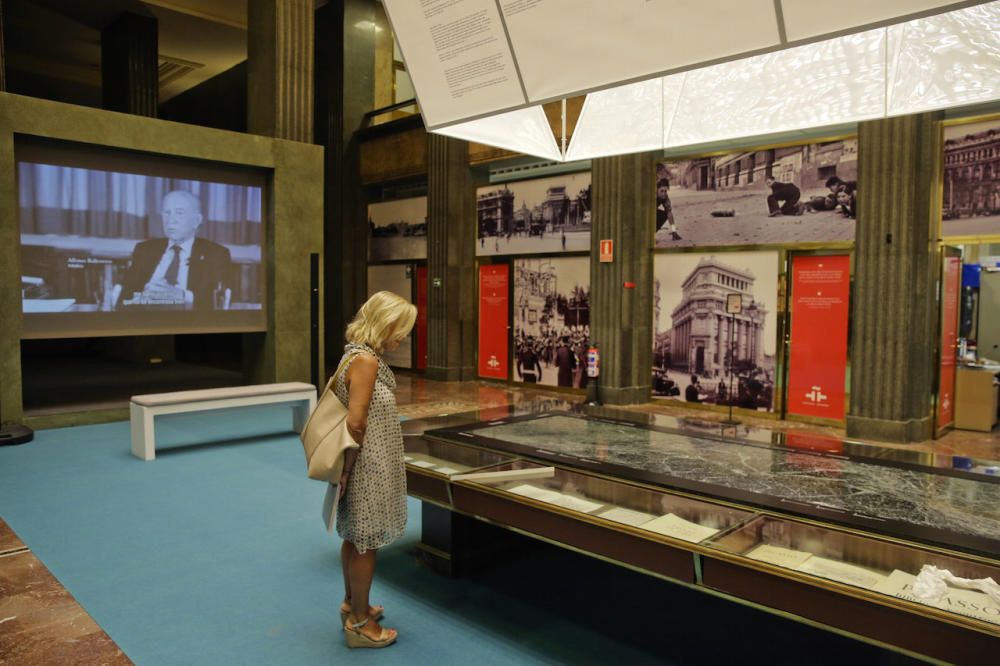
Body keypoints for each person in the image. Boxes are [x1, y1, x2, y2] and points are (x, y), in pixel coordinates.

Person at [335, 291, 417, 649]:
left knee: (354, 537)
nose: (404, 336)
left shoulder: (355, 354)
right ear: (383, 324)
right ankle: (360, 623)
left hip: (362, 463)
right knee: (366, 542)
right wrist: (349, 470)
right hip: (366, 465)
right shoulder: (365, 361)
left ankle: (354, 603)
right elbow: (355, 423)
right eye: (401, 328)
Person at [118, 189, 232, 309]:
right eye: (167, 213)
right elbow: (124, 297)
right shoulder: (144, 250)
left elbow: (218, 302)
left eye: (179, 213)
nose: (171, 220)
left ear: (196, 220)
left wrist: (181, 296)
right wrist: (142, 297)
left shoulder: (216, 254)